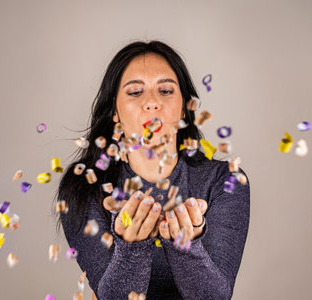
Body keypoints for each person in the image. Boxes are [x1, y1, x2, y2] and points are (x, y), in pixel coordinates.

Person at [55, 40, 250, 300]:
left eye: (166, 90)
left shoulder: (226, 180)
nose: (152, 103)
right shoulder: (84, 187)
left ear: (184, 107)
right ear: (115, 111)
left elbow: (215, 297)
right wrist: (131, 248)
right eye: (135, 92)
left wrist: (185, 246)